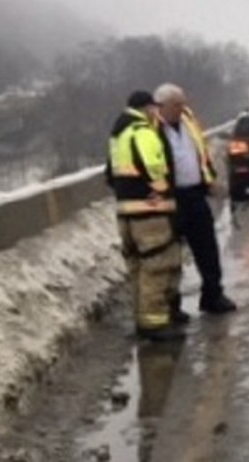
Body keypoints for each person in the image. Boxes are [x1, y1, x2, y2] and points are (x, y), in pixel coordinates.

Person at [106, 90, 184, 342]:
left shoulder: (119, 135)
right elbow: (156, 170)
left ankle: (144, 318)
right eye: (154, 107)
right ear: (146, 108)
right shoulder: (143, 132)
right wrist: (164, 192)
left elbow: (110, 175)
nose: (156, 112)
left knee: (138, 267)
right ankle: (154, 323)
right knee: (157, 266)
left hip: (127, 212)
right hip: (149, 214)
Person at [154, 83, 237, 315]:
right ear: (161, 106)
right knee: (170, 255)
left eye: (183, 103)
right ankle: (172, 306)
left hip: (195, 194)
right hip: (169, 199)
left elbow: (201, 153)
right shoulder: (151, 129)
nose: (182, 108)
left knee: (207, 249)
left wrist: (209, 179)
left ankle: (213, 295)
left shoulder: (188, 121)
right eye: (176, 104)